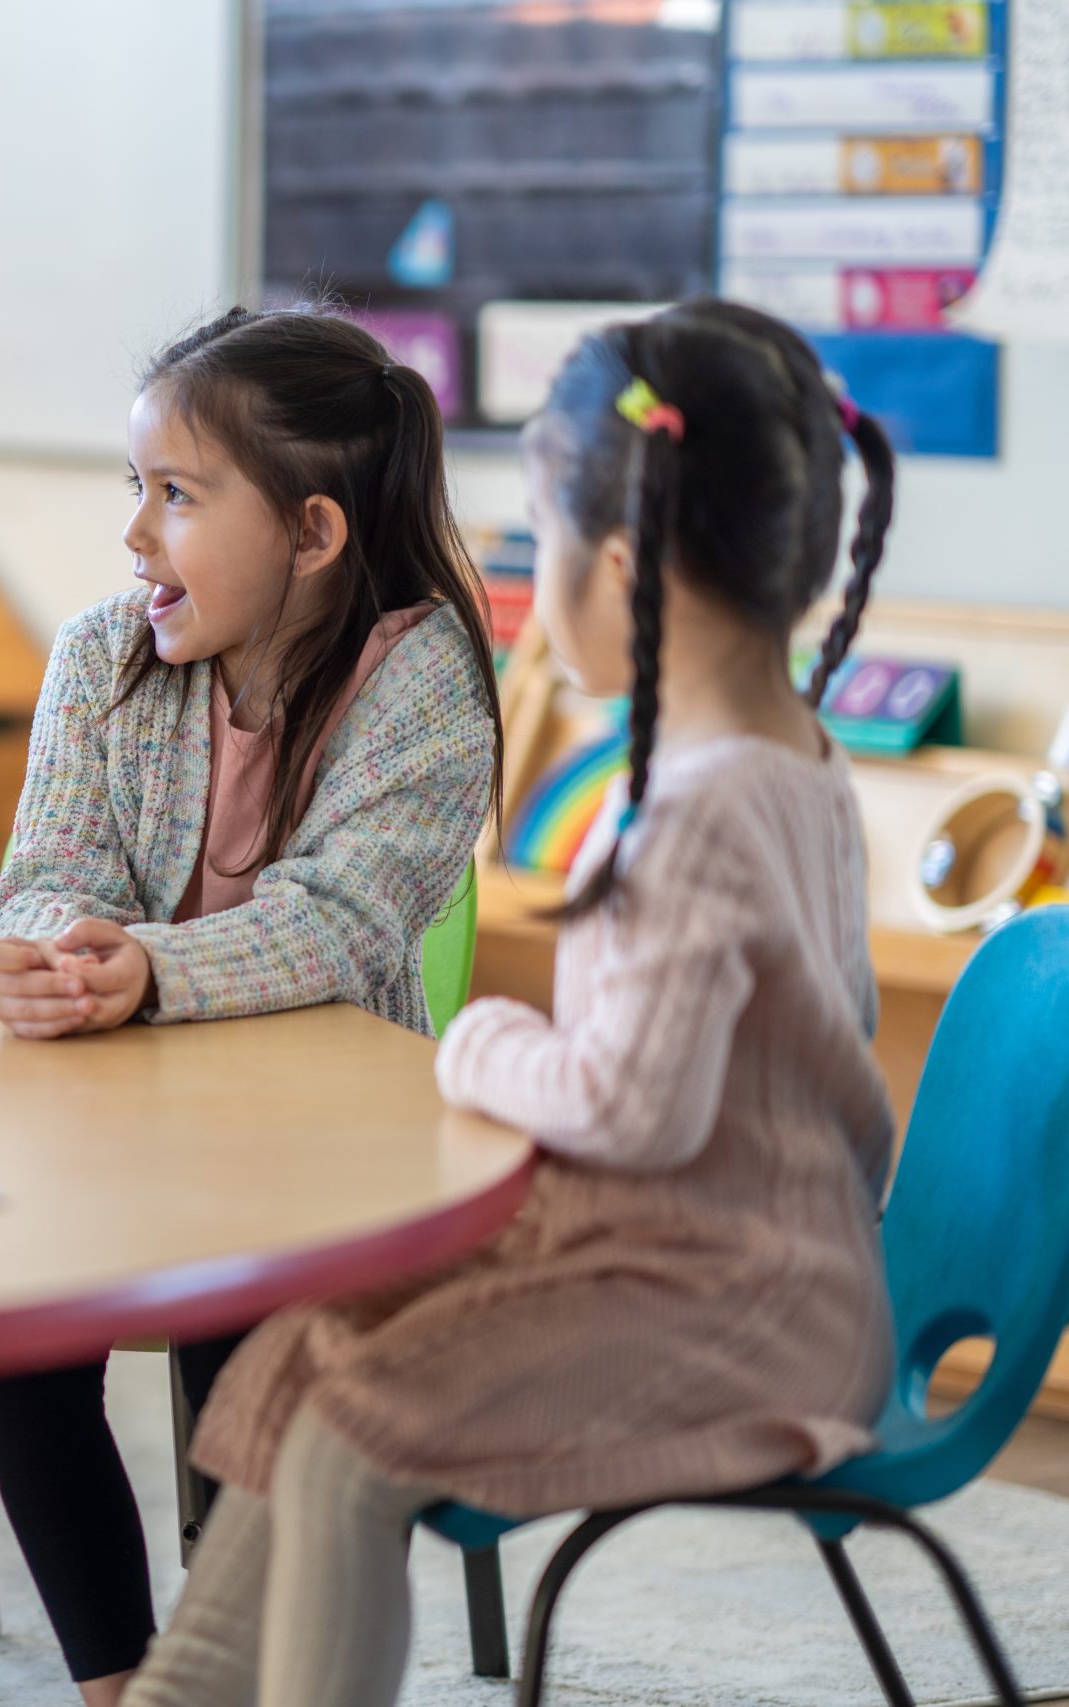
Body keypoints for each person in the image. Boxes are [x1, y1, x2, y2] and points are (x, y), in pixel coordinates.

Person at [127, 299, 900, 1707]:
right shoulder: (798, 754)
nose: (534, 597)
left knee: (348, 1431)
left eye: (544, 553)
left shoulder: (699, 812)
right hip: (747, 1263)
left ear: (624, 565)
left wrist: (483, 1039)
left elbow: (631, 1106)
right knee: (314, 1343)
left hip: (734, 1311)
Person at [0, 306, 502, 1703]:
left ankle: (237, 1652)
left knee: (241, 1316)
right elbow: (47, 872)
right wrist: (56, 944)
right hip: (119, 1124)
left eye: (177, 497)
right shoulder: (101, 657)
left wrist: (145, 969)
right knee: (16, 1327)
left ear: (314, 534)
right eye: (132, 492)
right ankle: (121, 1682)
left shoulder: (425, 683)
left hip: (330, 1147)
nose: (136, 537)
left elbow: (343, 918)